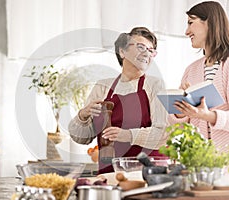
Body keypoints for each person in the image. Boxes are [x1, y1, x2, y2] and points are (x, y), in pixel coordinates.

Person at [68, 27, 169, 174]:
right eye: (141, 47)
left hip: (147, 174)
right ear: (122, 51)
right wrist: (83, 115)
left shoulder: (155, 85)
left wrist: (126, 135)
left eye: (151, 50)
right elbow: (82, 139)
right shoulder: (102, 87)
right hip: (110, 173)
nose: (147, 53)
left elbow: (162, 134)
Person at [169, 1, 229, 189]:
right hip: (196, 169)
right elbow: (181, 125)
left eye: (191, 22)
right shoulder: (191, 70)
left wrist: (208, 115)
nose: (187, 31)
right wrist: (181, 111)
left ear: (209, 23)